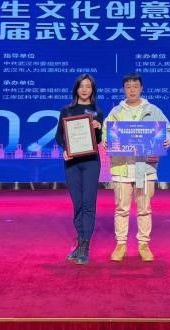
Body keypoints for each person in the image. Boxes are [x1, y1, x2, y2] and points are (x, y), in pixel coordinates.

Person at [102, 73, 170, 262]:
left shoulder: (153, 110)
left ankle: (143, 244)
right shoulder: (116, 111)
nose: (132, 90)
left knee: (144, 208)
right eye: (128, 86)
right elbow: (106, 132)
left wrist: (166, 140)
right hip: (122, 167)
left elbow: (166, 130)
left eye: (135, 86)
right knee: (121, 208)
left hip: (144, 167)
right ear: (124, 89)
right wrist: (106, 140)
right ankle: (121, 244)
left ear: (141, 88)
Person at [55, 74, 104, 265]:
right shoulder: (66, 110)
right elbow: (59, 136)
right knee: (77, 204)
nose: (84, 89)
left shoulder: (97, 112)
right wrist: (65, 149)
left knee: (88, 204)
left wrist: (98, 128)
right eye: (81, 86)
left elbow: (98, 140)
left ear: (93, 90)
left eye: (88, 86)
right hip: (72, 163)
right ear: (76, 88)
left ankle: (85, 246)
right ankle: (80, 241)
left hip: (91, 162)